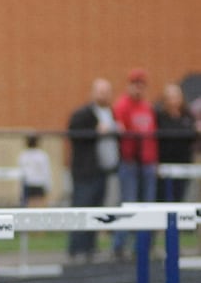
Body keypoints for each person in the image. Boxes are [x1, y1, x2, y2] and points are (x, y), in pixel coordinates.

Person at [66, 77, 121, 262]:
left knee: (97, 209)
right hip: (85, 171)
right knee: (81, 207)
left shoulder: (111, 113)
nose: (103, 95)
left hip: (103, 170)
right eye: (100, 91)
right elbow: (74, 134)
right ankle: (76, 248)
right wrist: (95, 131)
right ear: (93, 92)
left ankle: (90, 247)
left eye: (106, 91)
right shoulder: (83, 114)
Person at [111, 68, 157, 259]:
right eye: (135, 84)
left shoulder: (147, 107)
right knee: (128, 204)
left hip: (148, 162)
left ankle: (142, 247)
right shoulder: (122, 105)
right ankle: (119, 246)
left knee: (149, 205)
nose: (138, 88)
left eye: (141, 84)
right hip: (129, 162)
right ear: (129, 85)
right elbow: (120, 128)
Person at [155, 83, 198, 202]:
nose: (174, 100)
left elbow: (192, 134)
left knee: (180, 196)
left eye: (176, 96)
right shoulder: (159, 115)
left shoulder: (187, 115)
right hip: (164, 163)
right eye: (170, 97)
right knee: (164, 197)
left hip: (184, 162)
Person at [17, 134, 52, 207]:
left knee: (31, 206)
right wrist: (48, 186)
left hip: (30, 183)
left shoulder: (24, 155)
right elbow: (46, 172)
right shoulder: (42, 155)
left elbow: (22, 173)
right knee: (39, 205)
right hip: (38, 183)